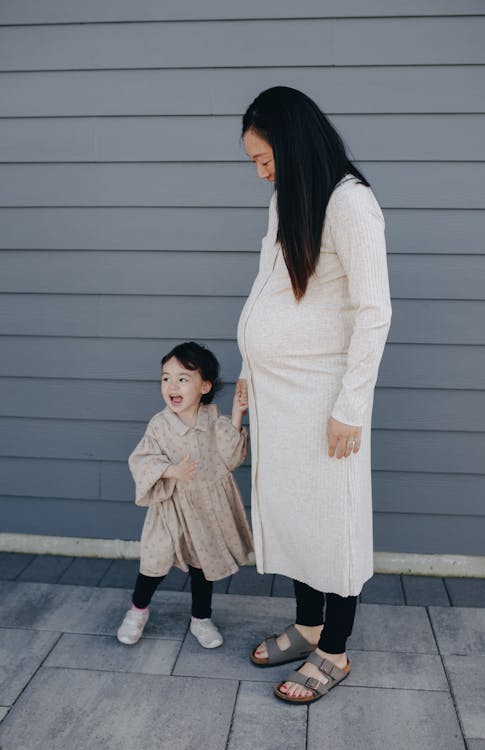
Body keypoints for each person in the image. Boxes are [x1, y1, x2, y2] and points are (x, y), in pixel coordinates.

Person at [236, 87, 392, 703]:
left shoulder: (353, 204)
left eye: (264, 158)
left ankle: (336, 649)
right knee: (297, 511)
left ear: (294, 142)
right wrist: (250, 364)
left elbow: (373, 312)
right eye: (253, 161)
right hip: (279, 390)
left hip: (328, 394)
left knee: (335, 519)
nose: (260, 171)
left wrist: (350, 406)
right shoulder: (290, 198)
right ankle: (308, 624)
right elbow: (270, 285)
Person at [117, 341, 253, 649]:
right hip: (170, 507)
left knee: (201, 565)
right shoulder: (160, 424)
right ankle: (137, 611)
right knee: (153, 562)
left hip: (205, 507)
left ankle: (201, 618)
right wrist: (170, 470)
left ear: (204, 386)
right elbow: (141, 458)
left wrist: (236, 415)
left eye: (182, 378)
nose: (171, 385)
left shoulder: (213, 421)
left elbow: (231, 458)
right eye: (166, 378)